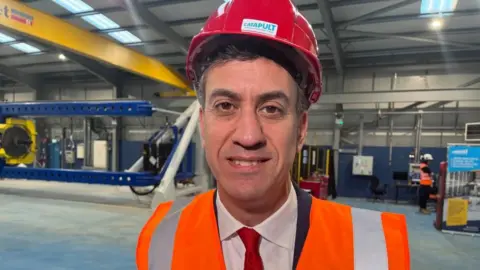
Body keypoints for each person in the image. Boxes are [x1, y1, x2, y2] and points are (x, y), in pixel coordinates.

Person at [136, 0, 410, 269]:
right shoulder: (160, 237)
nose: (248, 135)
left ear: (301, 128)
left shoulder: (374, 251)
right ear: (203, 123)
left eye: (271, 109)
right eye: (226, 106)